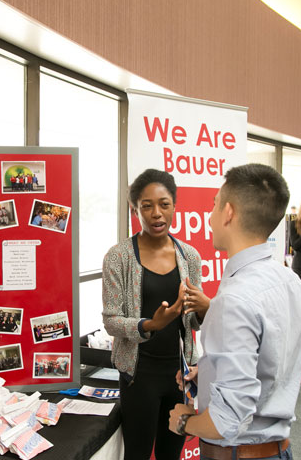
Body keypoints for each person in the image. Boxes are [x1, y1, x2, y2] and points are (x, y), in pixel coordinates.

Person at [167, 164, 301, 460]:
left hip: (236, 453)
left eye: (213, 206)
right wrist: (210, 374)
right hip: (278, 451)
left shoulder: (234, 300)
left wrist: (184, 422)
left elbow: (227, 421)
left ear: (228, 213)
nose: (208, 218)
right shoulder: (293, 283)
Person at [102, 168, 205, 460]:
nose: (156, 213)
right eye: (146, 206)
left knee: (171, 455)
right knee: (137, 453)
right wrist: (150, 324)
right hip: (138, 375)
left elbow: (193, 319)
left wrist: (206, 309)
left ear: (174, 205)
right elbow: (111, 320)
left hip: (179, 374)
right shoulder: (118, 257)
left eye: (164, 204)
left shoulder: (190, 257)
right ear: (135, 209)